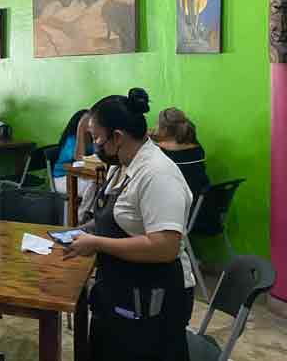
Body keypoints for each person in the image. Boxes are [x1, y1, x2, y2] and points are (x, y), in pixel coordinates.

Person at [64, 88, 194, 361]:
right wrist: (82, 231)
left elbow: (164, 246)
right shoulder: (121, 164)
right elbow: (117, 218)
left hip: (154, 295)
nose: (95, 145)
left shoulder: (158, 175)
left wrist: (97, 243)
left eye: (96, 137)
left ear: (118, 137)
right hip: (119, 285)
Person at [153, 107, 210, 204]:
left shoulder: (161, 151)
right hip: (201, 200)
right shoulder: (197, 147)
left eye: (157, 124)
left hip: (179, 204)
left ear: (164, 129)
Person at [51, 109, 95, 222]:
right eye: (88, 121)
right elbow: (79, 158)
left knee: (100, 183)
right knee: (94, 185)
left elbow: (98, 156)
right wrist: (81, 129)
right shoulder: (72, 139)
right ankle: (81, 217)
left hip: (81, 176)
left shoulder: (92, 138)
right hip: (63, 177)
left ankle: (91, 216)